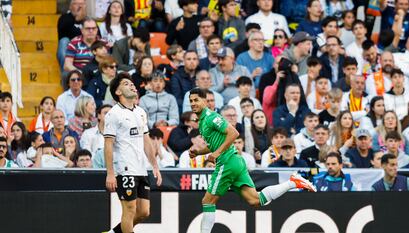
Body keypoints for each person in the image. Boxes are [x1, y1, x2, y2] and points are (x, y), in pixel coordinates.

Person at [188, 88, 316, 233]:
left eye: (196, 100)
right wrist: (199, 152)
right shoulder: (202, 121)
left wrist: (217, 153)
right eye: (191, 101)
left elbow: (233, 133)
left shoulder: (211, 117)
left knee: (207, 201)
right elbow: (215, 144)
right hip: (235, 161)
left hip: (227, 163)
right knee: (255, 200)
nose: (193, 103)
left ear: (205, 101)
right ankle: (293, 182)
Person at [104, 73, 162, 233]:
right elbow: (108, 144)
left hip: (141, 167)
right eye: (126, 83)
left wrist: (155, 165)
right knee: (129, 209)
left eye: (131, 83)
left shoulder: (141, 112)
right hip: (124, 168)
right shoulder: (113, 114)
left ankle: (114, 232)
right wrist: (110, 173)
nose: (132, 85)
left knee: (144, 212)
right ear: (118, 92)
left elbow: (146, 141)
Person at [57, 0, 87, 70]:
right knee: (64, 40)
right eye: (76, 4)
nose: (80, 6)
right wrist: (77, 19)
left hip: (86, 49)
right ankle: (67, 74)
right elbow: (66, 32)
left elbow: (97, 35)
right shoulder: (64, 18)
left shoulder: (89, 20)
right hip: (71, 50)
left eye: (82, 4)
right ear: (70, 7)